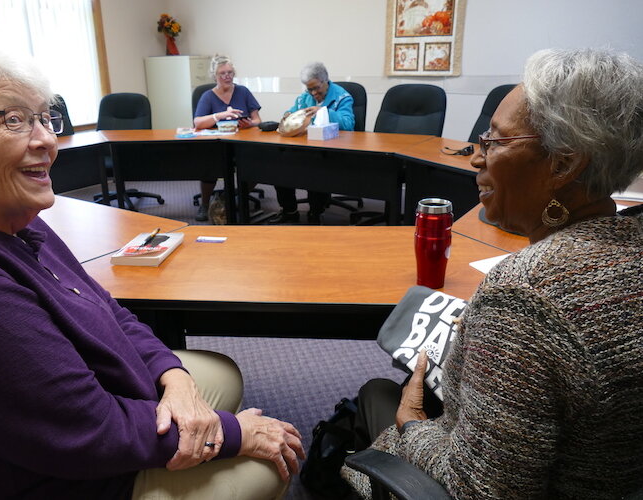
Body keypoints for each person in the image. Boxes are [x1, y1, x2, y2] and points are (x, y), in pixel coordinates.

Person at [0, 23, 303, 499]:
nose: (47, 140)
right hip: (47, 477)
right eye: (13, 120)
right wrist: (232, 434)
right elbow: (84, 429)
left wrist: (176, 382)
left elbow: (108, 310)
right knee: (266, 467)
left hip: (87, 411)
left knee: (216, 375)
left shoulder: (10, 216)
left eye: (45, 117)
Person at [343, 47, 643, 499]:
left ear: (563, 164)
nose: (476, 158)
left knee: (378, 394)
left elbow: (480, 491)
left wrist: (411, 426)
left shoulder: (525, 296)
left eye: (496, 141)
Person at [270, 62, 354, 225]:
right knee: (279, 164)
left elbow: (348, 124)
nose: (314, 93)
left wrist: (323, 111)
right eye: (310, 89)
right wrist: (287, 115)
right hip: (305, 146)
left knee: (314, 167)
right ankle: (289, 211)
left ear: (325, 81)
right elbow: (292, 114)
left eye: (316, 88)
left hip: (330, 149)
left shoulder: (343, 97)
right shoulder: (304, 98)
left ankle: (315, 212)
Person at [193, 55, 262, 222]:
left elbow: (258, 120)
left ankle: (234, 196)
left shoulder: (243, 92)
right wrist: (220, 115)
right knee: (210, 165)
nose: (227, 76)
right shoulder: (208, 96)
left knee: (258, 165)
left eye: (230, 72)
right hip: (217, 145)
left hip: (242, 143)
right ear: (215, 75)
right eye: (222, 73)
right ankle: (205, 203)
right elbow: (198, 122)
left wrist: (250, 124)